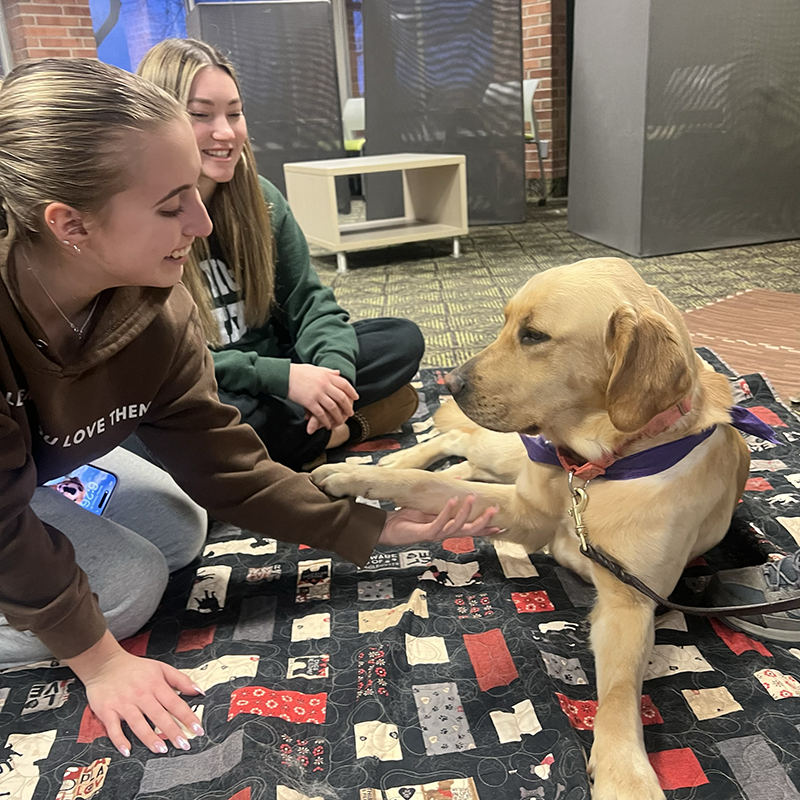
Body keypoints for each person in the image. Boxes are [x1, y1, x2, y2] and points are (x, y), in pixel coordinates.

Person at [0, 58, 498, 760]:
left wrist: (369, 528)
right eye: (173, 204)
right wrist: (101, 662)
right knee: (132, 591)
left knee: (178, 529)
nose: (201, 222)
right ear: (70, 225)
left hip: (41, 457)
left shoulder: (154, 309)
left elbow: (223, 467)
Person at [135, 38, 424, 471]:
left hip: (282, 370)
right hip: (213, 384)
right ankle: (345, 431)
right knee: (178, 418)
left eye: (234, 113)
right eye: (200, 115)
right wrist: (282, 379)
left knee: (400, 338)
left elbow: (307, 301)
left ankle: (290, 440)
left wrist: (333, 378)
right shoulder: (137, 219)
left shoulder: (261, 199)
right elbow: (162, 359)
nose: (225, 132)